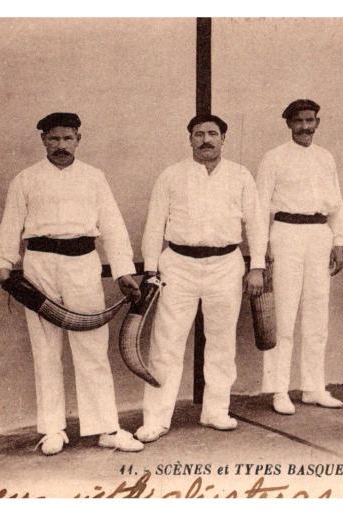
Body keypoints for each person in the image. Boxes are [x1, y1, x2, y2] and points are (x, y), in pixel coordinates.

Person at [0, 112, 144, 455]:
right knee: (46, 348)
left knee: (91, 346)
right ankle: (52, 430)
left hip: (82, 264)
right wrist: (5, 266)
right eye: (54, 139)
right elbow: (11, 223)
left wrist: (122, 271)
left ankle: (106, 428)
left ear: (78, 139)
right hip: (39, 266)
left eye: (68, 138)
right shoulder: (26, 179)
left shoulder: (94, 177)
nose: (61, 145)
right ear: (43, 140)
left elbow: (113, 226)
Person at [135, 114, 267, 441]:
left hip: (226, 265)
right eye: (198, 134)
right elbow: (153, 226)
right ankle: (156, 418)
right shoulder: (171, 176)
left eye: (212, 134)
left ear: (224, 138)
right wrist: (151, 269)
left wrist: (257, 265)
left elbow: (255, 223)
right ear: (189, 139)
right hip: (178, 265)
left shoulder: (240, 176)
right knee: (166, 343)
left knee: (221, 341)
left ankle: (215, 411)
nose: (205, 140)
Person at [256, 99, 343, 414]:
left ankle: (313, 387)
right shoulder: (273, 158)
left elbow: (336, 202)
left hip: (319, 235)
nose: (305, 127)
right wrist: (261, 244)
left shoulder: (326, 158)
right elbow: (259, 206)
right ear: (289, 124)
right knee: (283, 315)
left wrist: (338, 240)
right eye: (299, 121)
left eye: (310, 120)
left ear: (317, 123)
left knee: (317, 314)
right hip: (285, 235)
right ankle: (279, 390)